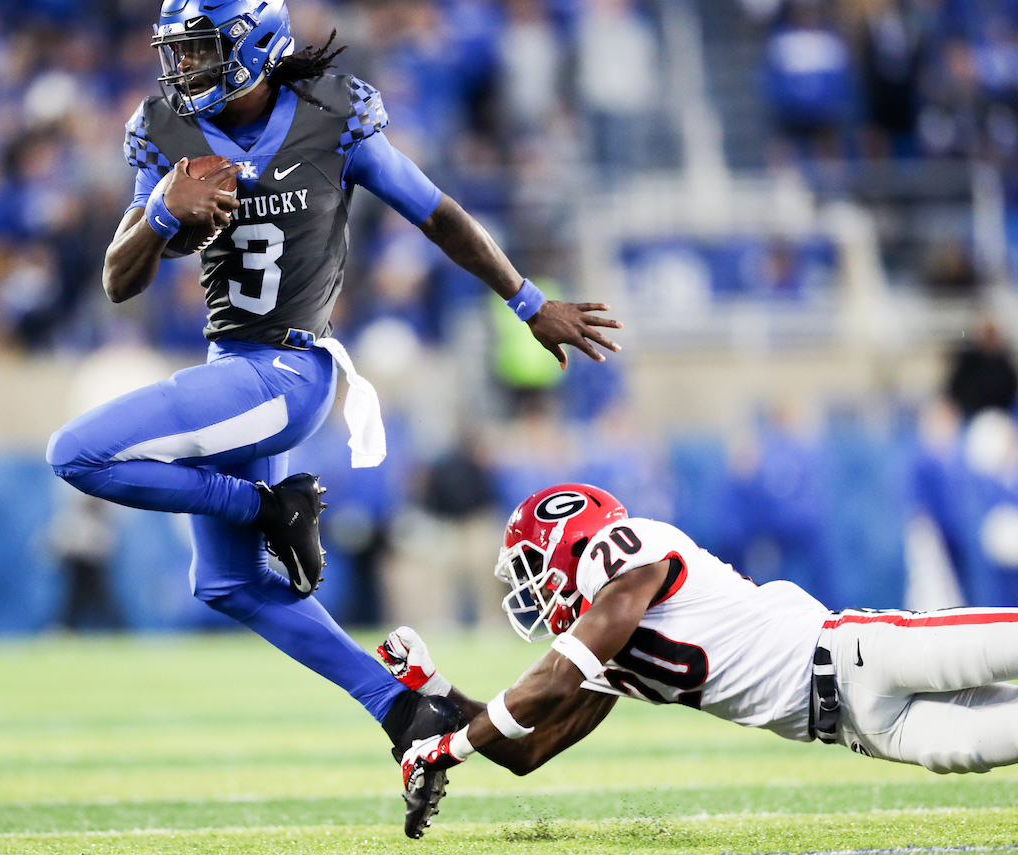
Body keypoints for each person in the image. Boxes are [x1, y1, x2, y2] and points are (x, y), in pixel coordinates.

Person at [45, 0, 621, 774]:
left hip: (288, 371)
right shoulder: (163, 131)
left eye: (200, 49)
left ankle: (265, 504)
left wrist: (528, 302)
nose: (183, 69)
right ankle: (405, 708)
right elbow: (119, 279)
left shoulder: (331, 113)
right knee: (229, 583)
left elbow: (438, 214)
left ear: (251, 45)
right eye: (176, 53)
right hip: (234, 372)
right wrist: (156, 212)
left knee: (74, 453)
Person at [382, 483, 1018, 838]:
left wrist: (451, 747)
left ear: (579, 543)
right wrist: (438, 692)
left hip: (863, 651)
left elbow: (557, 672)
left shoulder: (632, 552)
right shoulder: (602, 657)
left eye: (535, 565)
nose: (531, 586)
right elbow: (529, 748)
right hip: (867, 731)